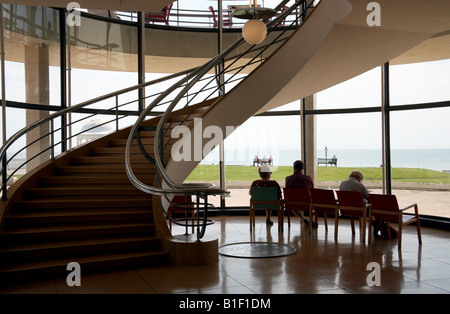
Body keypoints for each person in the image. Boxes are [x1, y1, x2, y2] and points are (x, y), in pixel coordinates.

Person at [284, 160, 316, 227]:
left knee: (291, 201)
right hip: (306, 203)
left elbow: (288, 193)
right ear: (302, 168)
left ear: (294, 168)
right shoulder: (308, 178)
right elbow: (312, 190)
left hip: (292, 204)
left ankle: (304, 219)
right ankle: (312, 221)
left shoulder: (288, 179)